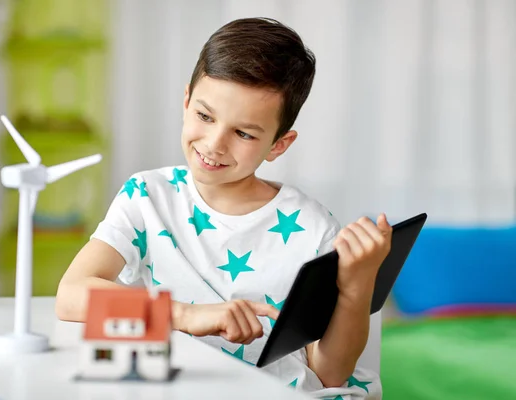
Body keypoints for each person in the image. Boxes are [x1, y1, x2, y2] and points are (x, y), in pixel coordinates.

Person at [56, 17, 390, 399]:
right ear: (186, 102)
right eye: (204, 116)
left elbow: (329, 373)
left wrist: (356, 287)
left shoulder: (314, 228)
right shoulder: (146, 196)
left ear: (279, 144)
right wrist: (184, 315)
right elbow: (71, 295)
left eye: (244, 133)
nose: (214, 143)